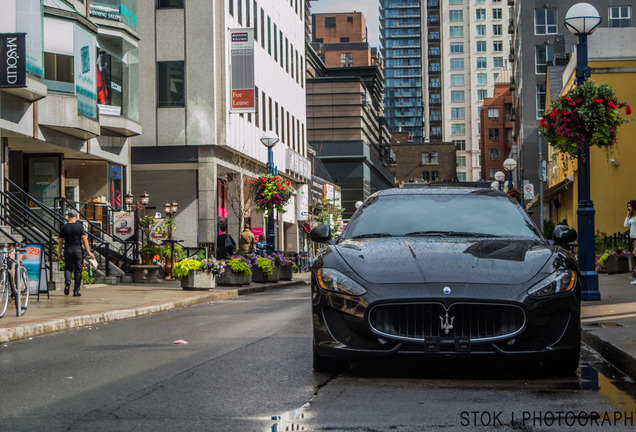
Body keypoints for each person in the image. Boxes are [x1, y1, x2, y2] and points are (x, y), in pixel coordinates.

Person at [58, 210, 95, 296]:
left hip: (68, 250)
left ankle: (68, 281)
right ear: (76, 217)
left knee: (68, 268)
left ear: (68, 217)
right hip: (78, 250)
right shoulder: (79, 226)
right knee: (78, 270)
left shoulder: (64, 227)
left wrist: (60, 253)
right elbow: (84, 239)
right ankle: (76, 291)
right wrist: (89, 252)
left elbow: (60, 241)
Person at [624, 200, 636, 284]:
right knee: (634, 258)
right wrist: (627, 215)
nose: (628, 208)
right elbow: (625, 225)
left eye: (630, 206)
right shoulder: (632, 216)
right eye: (628, 206)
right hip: (632, 238)